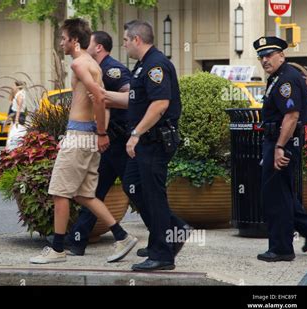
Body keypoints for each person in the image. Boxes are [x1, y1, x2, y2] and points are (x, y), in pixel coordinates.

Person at [30, 18, 138, 264]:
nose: (61, 43)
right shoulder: (93, 64)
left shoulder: (79, 64)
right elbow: (103, 102)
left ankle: (57, 250)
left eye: (63, 38)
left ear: (74, 41)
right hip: (86, 135)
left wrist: (101, 133)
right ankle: (122, 237)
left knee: (60, 192)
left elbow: (99, 97)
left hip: (80, 137)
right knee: (84, 194)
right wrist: (99, 131)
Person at [102, 20, 190, 271]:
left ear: (137, 40)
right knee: (133, 186)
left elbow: (160, 104)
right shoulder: (142, 66)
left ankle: (163, 255)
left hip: (154, 141)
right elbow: (136, 101)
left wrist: (136, 133)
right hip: (144, 142)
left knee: (154, 196)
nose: (124, 44)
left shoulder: (156, 65)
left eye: (126, 40)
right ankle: (171, 232)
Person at [62, 30, 133, 256]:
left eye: (89, 42)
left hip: (117, 140)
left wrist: (105, 104)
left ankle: (161, 237)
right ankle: (78, 240)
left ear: (99, 47)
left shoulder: (112, 68)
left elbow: (131, 96)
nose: (85, 45)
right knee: (92, 191)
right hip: (103, 139)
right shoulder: (92, 66)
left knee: (136, 190)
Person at [253, 36, 307, 262]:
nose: (264, 60)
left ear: (282, 55)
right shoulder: (278, 77)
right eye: (261, 56)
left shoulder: (286, 79)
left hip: (282, 143)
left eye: (269, 55)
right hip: (277, 140)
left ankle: (281, 249)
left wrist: (279, 147)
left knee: (275, 197)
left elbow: (292, 116)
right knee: (282, 194)